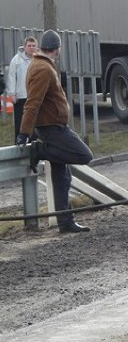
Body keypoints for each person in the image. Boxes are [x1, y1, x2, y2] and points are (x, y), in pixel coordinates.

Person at [17, 30, 94, 233]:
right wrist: (24, 133)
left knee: (63, 177)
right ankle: (40, 151)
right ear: (58, 48)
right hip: (53, 128)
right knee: (84, 155)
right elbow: (32, 103)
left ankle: (65, 222)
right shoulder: (43, 68)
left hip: (52, 126)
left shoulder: (40, 64)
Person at [6, 36, 38, 137]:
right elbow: (11, 76)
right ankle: (19, 143)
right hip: (21, 97)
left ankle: (34, 143)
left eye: (33, 46)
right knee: (20, 121)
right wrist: (12, 93)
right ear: (24, 47)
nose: (31, 48)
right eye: (29, 45)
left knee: (35, 122)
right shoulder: (16, 60)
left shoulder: (39, 59)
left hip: (35, 96)